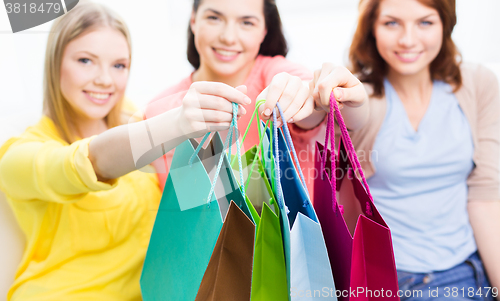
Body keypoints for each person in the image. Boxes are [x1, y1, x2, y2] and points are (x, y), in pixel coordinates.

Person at [0, 2, 249, 300]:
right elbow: (90, 161)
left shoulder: (137, 118)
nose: (105, 79)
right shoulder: (20, 154)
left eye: (118, 65)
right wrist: (177, 123)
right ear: (55, 63)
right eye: (85, 61)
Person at [311, 0, 500, 299]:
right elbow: (324, 124)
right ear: (371, 27)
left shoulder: (477, 84)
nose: (408, 40)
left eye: (425, 22)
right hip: (390, 278)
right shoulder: (361, 98)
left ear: (446, 25)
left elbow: (485, 198)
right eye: (391, 23)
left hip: (469, 271)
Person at [145, 0, 330, 194]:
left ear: (264, 30)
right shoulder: (159, 110)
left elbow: (306, 92)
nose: (228, 37)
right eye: (214, 18)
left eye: (247, 22)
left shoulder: (276, 74)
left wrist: (305, 95)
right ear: (193, 20)